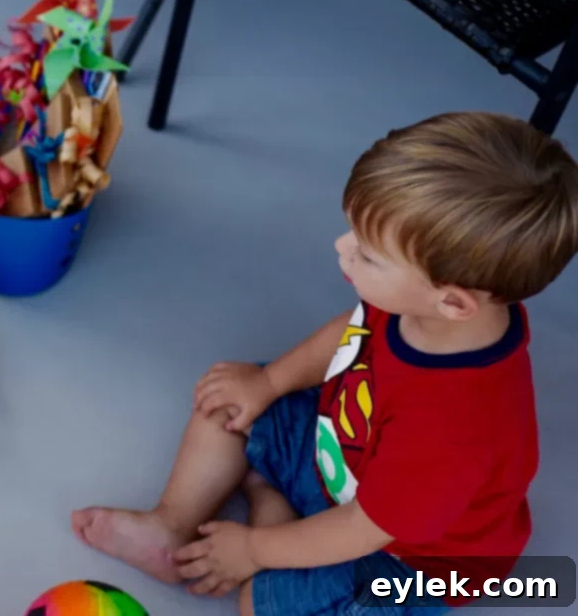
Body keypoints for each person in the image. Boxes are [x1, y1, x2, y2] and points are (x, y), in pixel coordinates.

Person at [71, 113, 578, 615]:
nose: (341, 247)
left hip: (403, 558)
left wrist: (253, 550)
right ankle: (171, 526)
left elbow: (363, 528)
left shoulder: (452, 433)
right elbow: (351, 334)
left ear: (452, 302)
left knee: (259, 604)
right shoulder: (429, 304)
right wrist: (268, 383)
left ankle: (269, 505)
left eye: (367, 254)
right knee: (229, 402)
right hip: (344, 457)